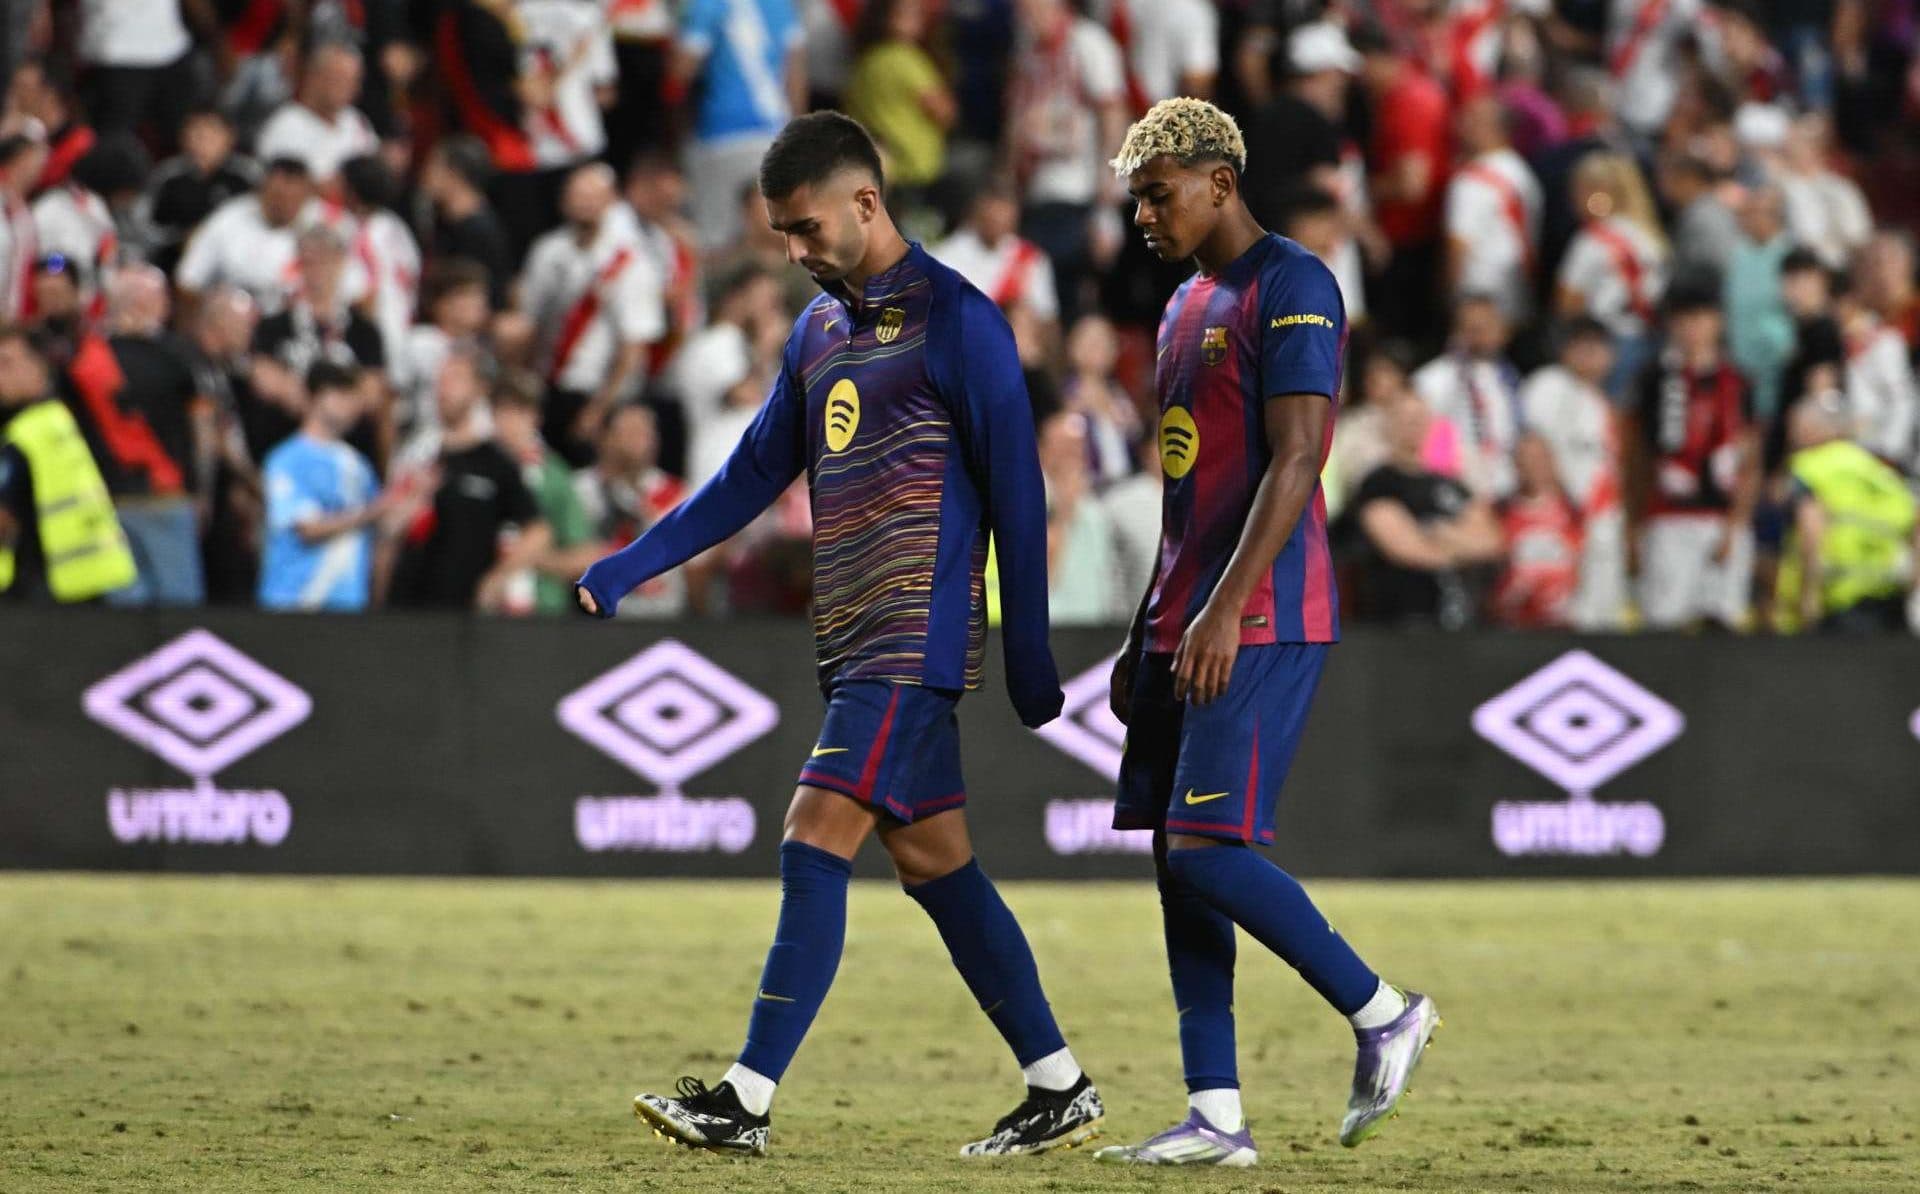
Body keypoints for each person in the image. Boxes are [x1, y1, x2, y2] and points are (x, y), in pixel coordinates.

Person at [577, 112, 1101, 1159]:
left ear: (867, 203)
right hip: (853, 640)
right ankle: (1058, 1084)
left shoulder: (961, 320)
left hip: (917, 638)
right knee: (938, 866)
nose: (795, 251)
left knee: (813, 835)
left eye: (807, 228)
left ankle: (745, 1098)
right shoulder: (819, 331)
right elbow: (749, 475)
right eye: (782, 233)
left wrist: (1031, 649)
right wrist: (634, 562)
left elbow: (1018, 492)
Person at [1094, 98, 1437, 1169]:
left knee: (1207, 847)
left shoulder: (1293, 285)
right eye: (1137, 198)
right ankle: (1217, 1117)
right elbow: (1189, 486)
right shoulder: (1183, 301)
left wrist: (1223, 608)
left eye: (1159, 193)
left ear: (1220, 183)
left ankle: (1382, 1010)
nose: (1144, 214)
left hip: (1263, 615)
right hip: (1188, 615)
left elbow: (1299, 458)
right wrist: (1152, 623)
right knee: (1176, 857)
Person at [1625, 286, 1756, 630]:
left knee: (1724, 622)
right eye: (1683, 319)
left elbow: (1750, 458)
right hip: (1667, 518)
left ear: (1718, 322)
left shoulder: (1737, 381)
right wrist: (1633, 526)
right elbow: (1636, 455)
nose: (1692, 329)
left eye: (1701, 318)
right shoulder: (1655, 378)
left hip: (1720, 517)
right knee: (1664, 622)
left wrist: (1736, 524)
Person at [519, 162, 665, 467]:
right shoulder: (547, 252)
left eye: (592, 195)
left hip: (596, 393)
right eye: (576, 194)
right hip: (547, 386)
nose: (583, 202)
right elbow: (529, 324)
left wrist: (600, 408)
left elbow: (634, 347)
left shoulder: (631, 263)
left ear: (611, 200)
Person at [386, 344, 553, 611]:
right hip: (407, 604)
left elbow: (538, 532)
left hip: (462, 614)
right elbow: (389, 530)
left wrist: (496, 579)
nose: (444, 389)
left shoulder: (495, 462)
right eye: (440, 380)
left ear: (479, 389)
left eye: (455, 379)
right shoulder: (417, 454)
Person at [0, 324, 135, 603]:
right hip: (83, 579)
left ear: (38, 366)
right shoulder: (60, 419)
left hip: (38, 584)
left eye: (6, 364)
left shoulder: (25, 435)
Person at [1347, 393, 1507, 629]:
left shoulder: (1451, 483)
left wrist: (1439, 534)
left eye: (1419, 418)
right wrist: (1462, 541)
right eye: (1404, 418)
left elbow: (1493, 542)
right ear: (1388, 425)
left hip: (1462, 622)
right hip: (1403, 622)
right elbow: (1406, 549)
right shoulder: (1378, 483)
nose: (1413, 425)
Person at [1519, 318, 1630, 629]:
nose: (1591, 354)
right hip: (1563, 518)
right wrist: (1562, 511)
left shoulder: (1599, 399)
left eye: (1598, 347)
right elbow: (1536, 451)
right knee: (1566, 614)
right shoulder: (1548, 386)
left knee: (1603, 613)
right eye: (1582, 346)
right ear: (1565, 350)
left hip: (1601, 516)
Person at [1774, 394, 1917, 634]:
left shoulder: (1809, 467)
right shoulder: (1879, 470)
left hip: (1836, 601)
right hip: (1891, 602)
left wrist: (1809, 597)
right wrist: (1913, 588)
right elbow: (1915, 524)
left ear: (1814, 429)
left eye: (1797, 427)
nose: (1791, 436)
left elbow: (1811, 530)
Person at [674, 0, 808, 252]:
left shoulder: (706, 4)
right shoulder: (783, 6)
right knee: (774, 235)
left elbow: (681, 71)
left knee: (715, 237)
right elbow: (795, 76)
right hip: (774, 134)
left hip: (719, 136)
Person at [257, 361, 387, 612]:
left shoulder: (358, 465)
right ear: (315, 397)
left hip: (347, 603)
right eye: (341, 393)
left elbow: (382, 527)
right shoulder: (287, 459)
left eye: (353, 396)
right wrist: (372, 512)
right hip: (293, 600)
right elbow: (307, 528)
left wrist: (411, 497)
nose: (351, 404)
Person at [1411, 294, 1522, 500]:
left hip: (1506, 486)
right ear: (1457, 332)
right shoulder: (1434, 379)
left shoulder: (1509, 378)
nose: (1481, 334)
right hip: (1456, 487)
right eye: (1472, 328)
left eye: (1488, 326)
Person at [1444, 96, 1541, 325]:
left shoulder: (1472, 180)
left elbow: (1458, 244)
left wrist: (1448, 295)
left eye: (1471, 121)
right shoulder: (1523, 173)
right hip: (1518, 290)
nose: (1460, 126)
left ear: (1494, 129)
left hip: (1477, 296)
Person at [253, 42, 381, 190]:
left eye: (353, 80)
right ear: (313, 76)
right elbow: (283, 189)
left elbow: (375, 176)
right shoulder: (285, 125)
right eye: (338, 78)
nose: (347, 87)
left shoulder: (357, 121)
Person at [1492, 433, 1585, 628]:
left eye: (1539, 458)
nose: (1533, 465)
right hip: (1516, 624)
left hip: (1565, 624)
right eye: (1525, 459)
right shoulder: (1500, 513)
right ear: (1516, 465)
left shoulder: (1573, 512)